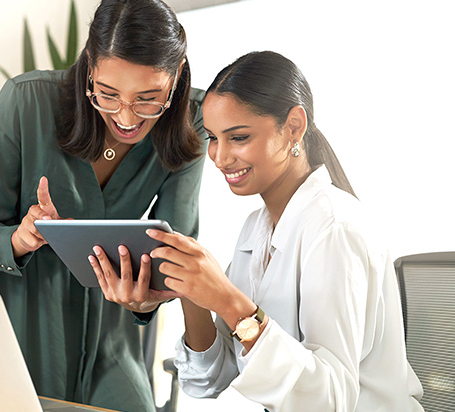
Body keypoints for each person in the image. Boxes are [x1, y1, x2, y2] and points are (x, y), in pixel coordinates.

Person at [90, 51, 424, 411]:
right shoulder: (258, 228)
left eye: (239, 137)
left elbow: (330, 400)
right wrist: (189, 293)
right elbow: (211, 380)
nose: (219, 157)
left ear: (294, 126)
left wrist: (228, 302)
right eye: (214, 138)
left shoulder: (334, 229)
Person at [0, 1, 207, 411]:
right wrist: (18, 237)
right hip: (8, 316)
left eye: (147, 98)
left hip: (107, 330)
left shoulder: (193, 120)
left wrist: (149, 298)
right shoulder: (26, 100)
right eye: (108, 94)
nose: (125, 116)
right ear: (90, 69)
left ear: (175, 79)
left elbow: (175, 252)